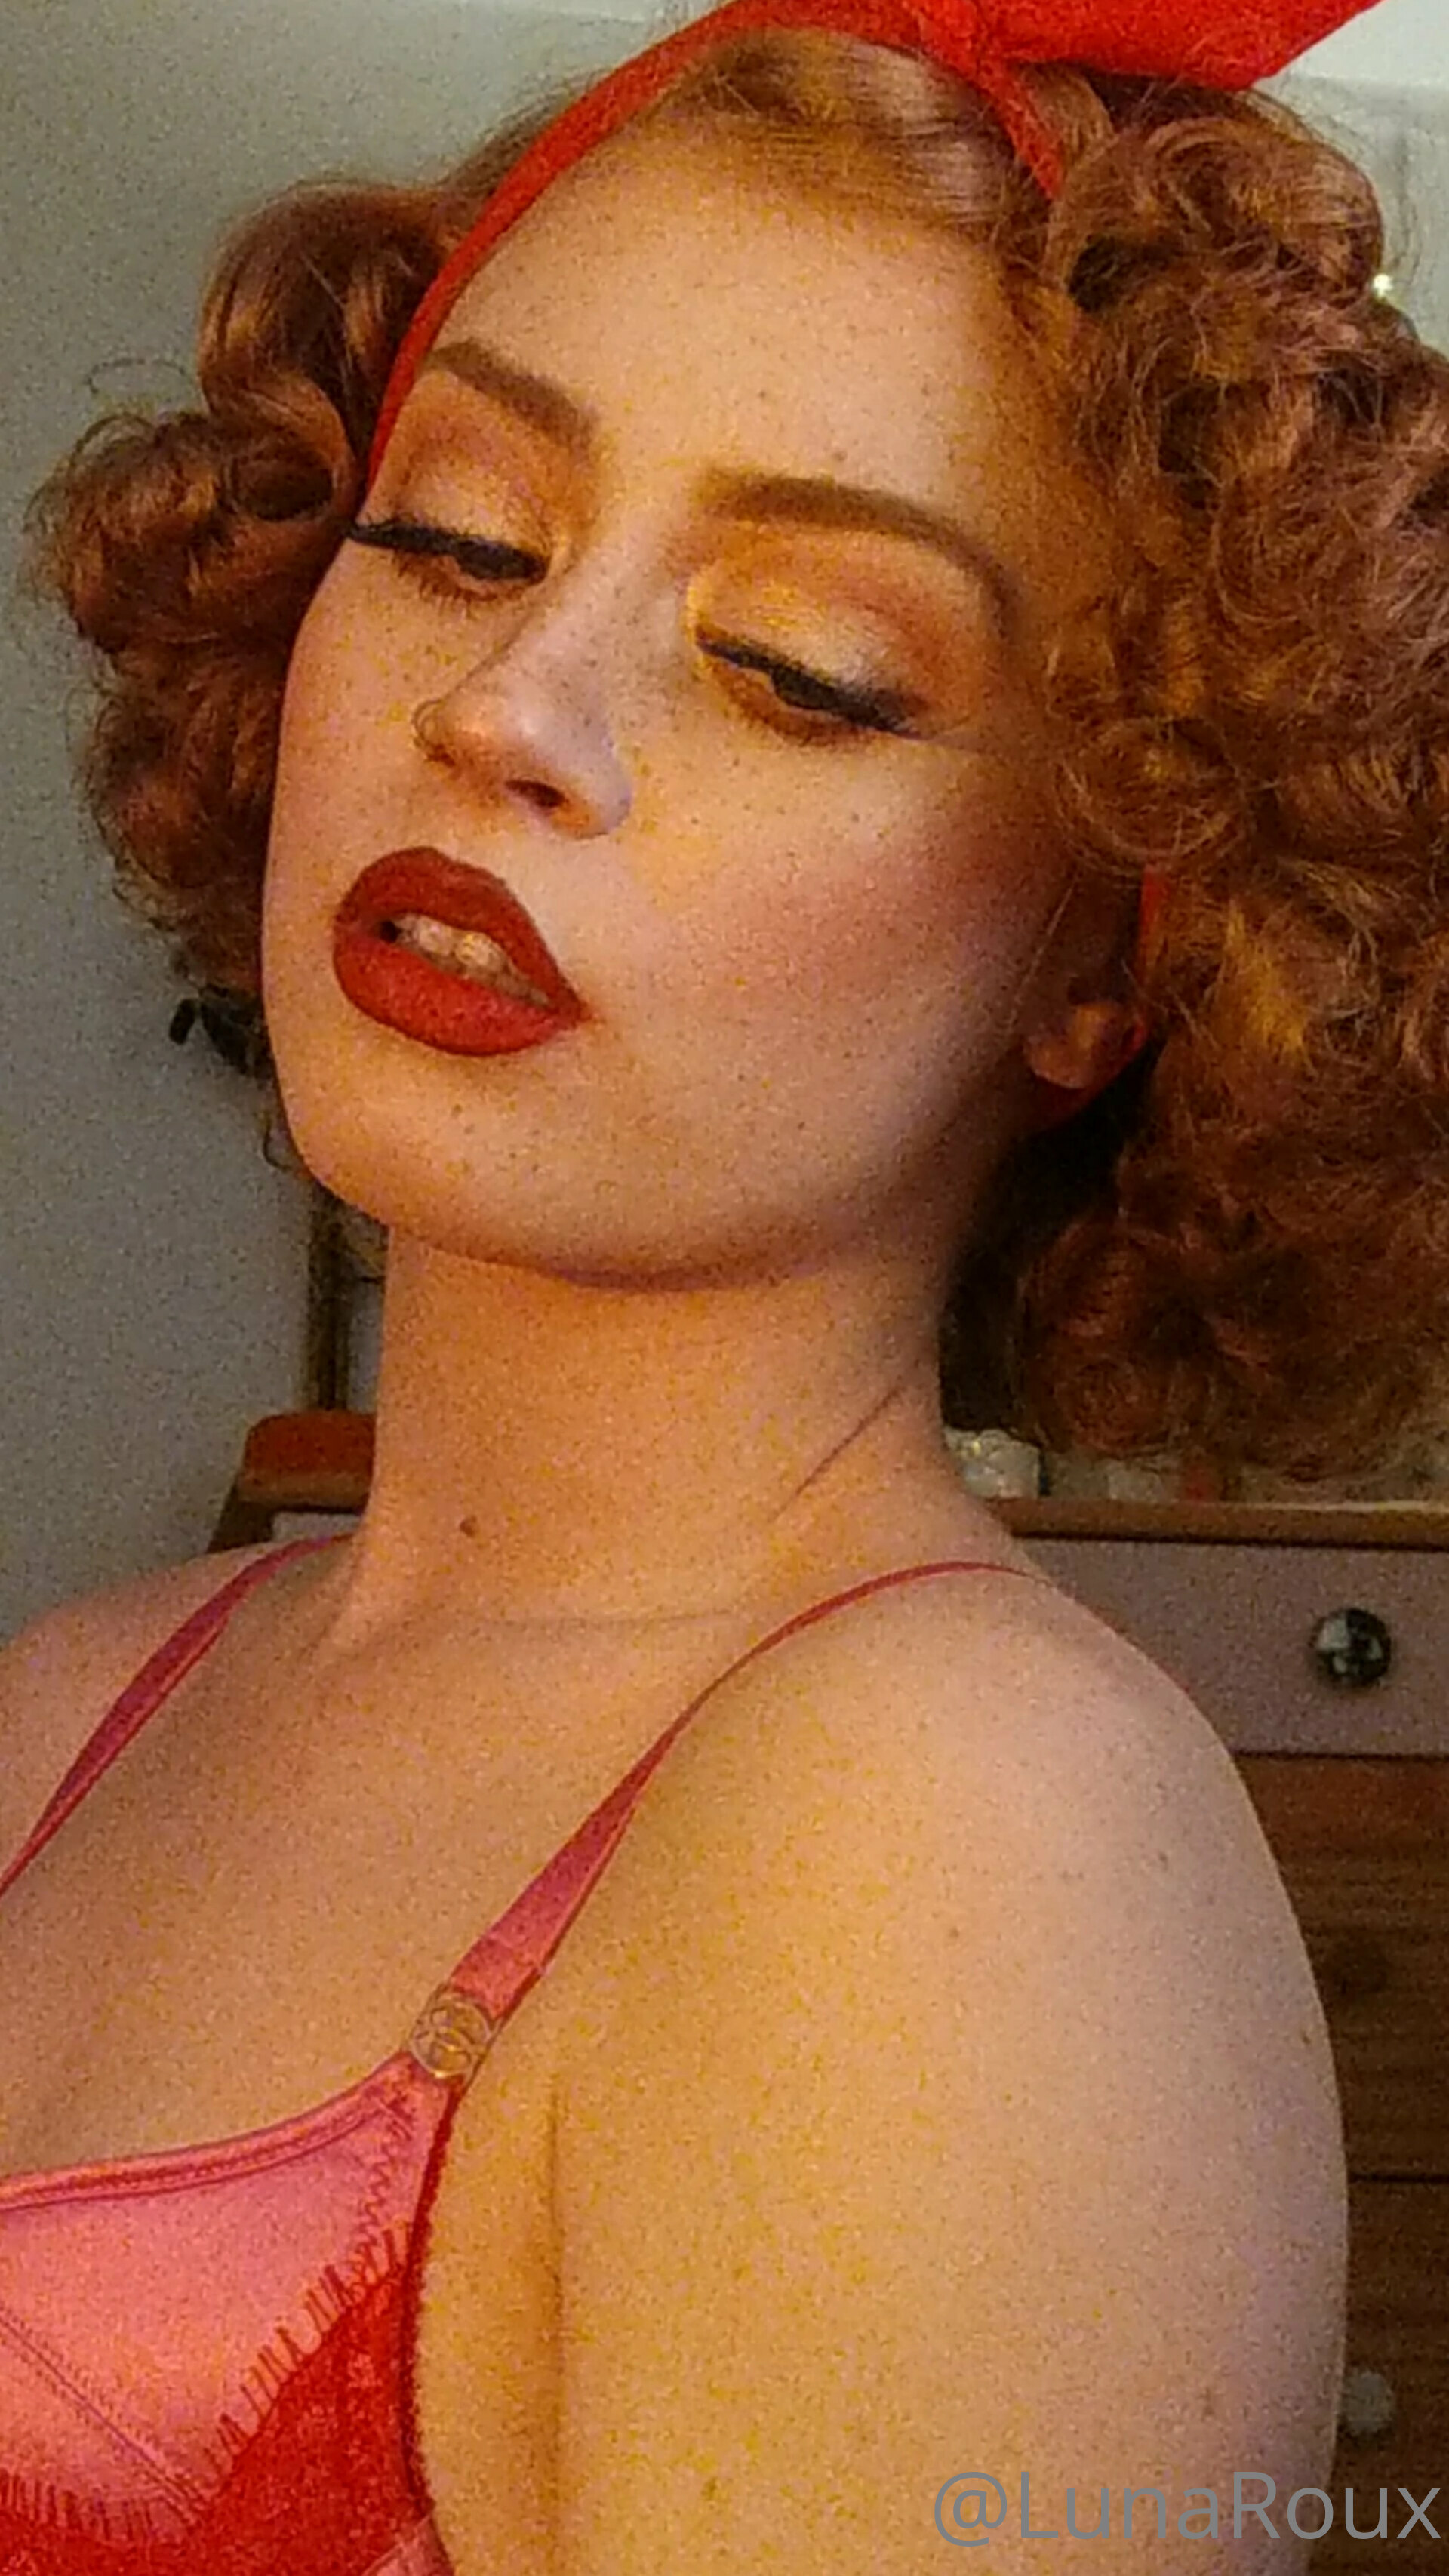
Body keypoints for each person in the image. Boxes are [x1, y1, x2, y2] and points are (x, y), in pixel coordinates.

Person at [7, 0, 1441, 2562]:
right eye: (459, 538)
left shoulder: (956, 1848)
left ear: (1113, 956)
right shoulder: (69, 1711)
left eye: (803, 669)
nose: (509, 709)